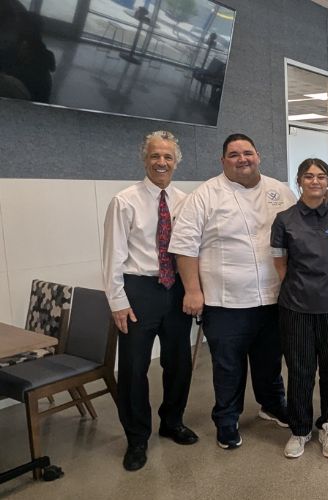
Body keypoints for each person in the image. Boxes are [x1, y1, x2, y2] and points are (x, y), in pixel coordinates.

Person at [169, 133, 296, 450]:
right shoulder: (204, 195)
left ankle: (273, 405)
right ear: (223, 160)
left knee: (270, 360)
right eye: (234, 154)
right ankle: (226, 420)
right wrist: (192, 291)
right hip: (226, 302)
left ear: (258, 156)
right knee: (228, 366)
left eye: (248, 152)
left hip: (274, 297)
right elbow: (184, 247)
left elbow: (299, 236)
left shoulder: (280, 191)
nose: (242, 159)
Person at [102, 130, 196, 472]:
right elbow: (112, 255)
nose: (161, 162)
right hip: (138, 291)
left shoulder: (186, 202)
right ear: (145, 159)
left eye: (168, 156)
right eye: (155, 155)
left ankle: (172, 421)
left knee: (179, 362)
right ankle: (137, 438)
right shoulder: (124, 201)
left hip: (177, 290)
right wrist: (117, 301)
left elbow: (193, 249)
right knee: (133, 368)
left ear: (176, 162)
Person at [271, 158, 328, 459]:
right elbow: (280, 262)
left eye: (321, 176)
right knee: (300, 369)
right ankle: (299, 429)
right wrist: (300, 286)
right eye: (308, 176)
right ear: (299, 181)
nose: (315, 181)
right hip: (297, 306)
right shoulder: (284, 219)